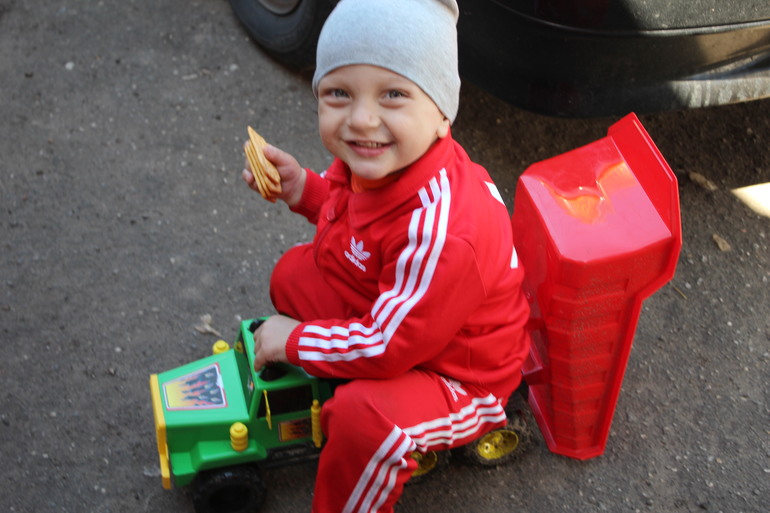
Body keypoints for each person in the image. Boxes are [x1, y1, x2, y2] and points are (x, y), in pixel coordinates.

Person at [241, 0, 531, 511]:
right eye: (338, 93)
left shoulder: (443, 232)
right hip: (399, 317)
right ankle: (344, 367)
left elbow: (387, 345)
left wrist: (297, 342)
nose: (361, 119)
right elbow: (351, 218)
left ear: (442, 115)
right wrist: (303, 188)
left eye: (394, 94)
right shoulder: (374, 160)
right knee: (293, 275)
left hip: (458, 376)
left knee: (362, 420)